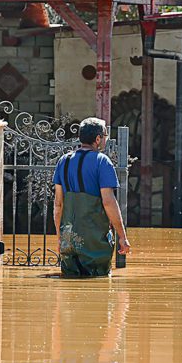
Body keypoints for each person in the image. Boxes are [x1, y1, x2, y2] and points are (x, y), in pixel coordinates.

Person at [52, 117, 131, 277]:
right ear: (97, 139)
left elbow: (58, 205)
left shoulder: (63, 161)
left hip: (69, 238)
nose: (105, 139)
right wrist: (122, 236)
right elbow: (108, 202)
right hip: (94, 240)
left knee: (69, 289)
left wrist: (60, 238)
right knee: (98, 285)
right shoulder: (102, 162)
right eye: (105, 136)